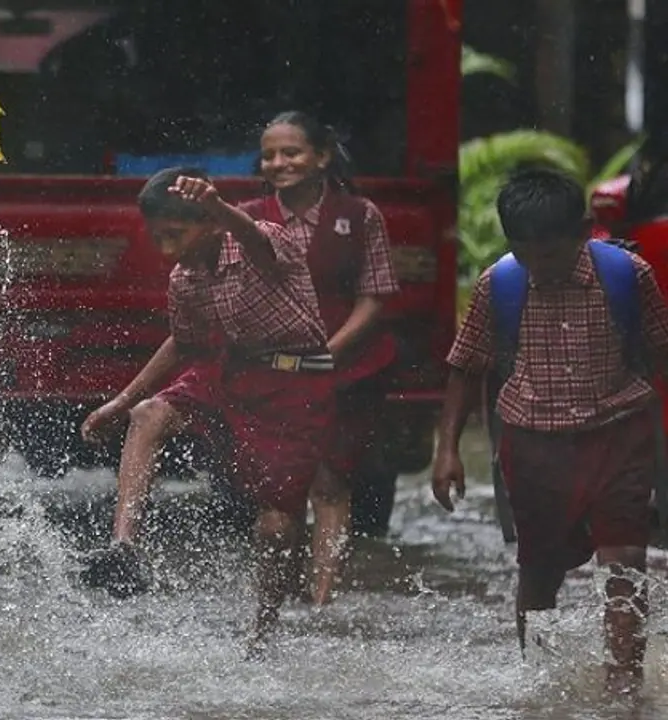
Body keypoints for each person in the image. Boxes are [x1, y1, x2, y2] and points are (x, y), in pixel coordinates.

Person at [79, 166, 335, 654]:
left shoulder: (263, 240)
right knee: (148, 415)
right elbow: (184, 341)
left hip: (294, 382)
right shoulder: (184, 278)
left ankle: (263, 631)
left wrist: (220, 208)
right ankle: (125, 548)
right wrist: (121, 400)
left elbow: (254, 238)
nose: (166, 248)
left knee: (277, 523)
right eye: (157, 236)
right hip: (229, 369)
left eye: (175, 234)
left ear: (212, 223)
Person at [432, 168, 668, 694]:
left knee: (625, 563)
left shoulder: (627, 276)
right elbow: (466, 366)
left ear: (583, 231)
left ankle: (622, 687)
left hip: (618, 434)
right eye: (525, 250)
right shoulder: (501, 283)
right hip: (534, 445)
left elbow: (660, 352)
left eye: (551, 251)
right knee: (540, 571)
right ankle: (536, 680)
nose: (540, 264)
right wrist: (446, 450)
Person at [240, 111, 401, 604]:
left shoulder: (359, 216)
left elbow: (374, 298)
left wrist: (325, 354)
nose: (278, 163)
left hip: (346, 370)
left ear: (322, 157)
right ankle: (278, 590)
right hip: (273, 373)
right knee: (276, 488)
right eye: (269, 155)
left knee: (330, 480)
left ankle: (322, 598)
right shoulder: (247, 216)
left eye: (291, 152)